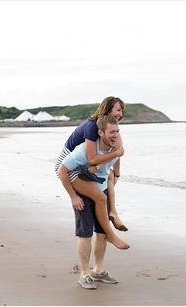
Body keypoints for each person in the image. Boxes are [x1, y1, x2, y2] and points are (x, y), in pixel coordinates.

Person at [57, 115, 125, 289]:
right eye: (112, 132)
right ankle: (84, 274)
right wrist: (73, 196)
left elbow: (109, 177)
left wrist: (113, 207)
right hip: (82, 189)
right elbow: (62, 171)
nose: (115, 135)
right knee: (85, 232)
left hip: (100, 189)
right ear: (101, 132)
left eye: (117, 131)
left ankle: (98, 270)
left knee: (101, 232)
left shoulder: (114, 149)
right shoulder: (83, 152)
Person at [55, 97, 129, 249]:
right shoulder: (92, 126)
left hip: (83, 163)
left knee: (109, 176)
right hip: (68, 165)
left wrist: (117, 173)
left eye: (122, 110)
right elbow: (92, 158)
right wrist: (73, 196)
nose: (121, 113)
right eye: (118, 110)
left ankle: (114, 213)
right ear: (108, 109)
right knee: (100, 197)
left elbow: (117, 150)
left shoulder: (110, 126)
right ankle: (111, 235)